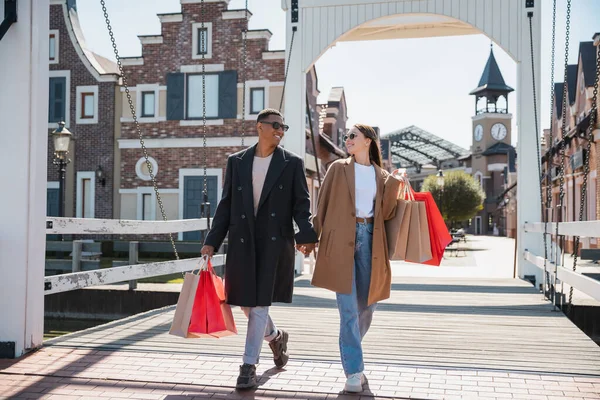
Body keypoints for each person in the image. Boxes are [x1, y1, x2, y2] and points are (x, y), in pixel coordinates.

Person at [201, 108, 318, 390]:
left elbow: (301, 205)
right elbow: (226, 205)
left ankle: (248, 365)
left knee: (260, 304)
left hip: (274, 242)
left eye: (283, 126)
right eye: (275, 125)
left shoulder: (292, 163)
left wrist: (307, 234)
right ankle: (276, 337)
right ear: (259, 127)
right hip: (243, 240)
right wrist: (212, 240)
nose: (280, 130)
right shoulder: (237, 162)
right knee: (243, 302)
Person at [310, 124, 402, 393]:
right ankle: (353, 370)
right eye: (347, 136)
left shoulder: (381, 175)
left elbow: (385, 214)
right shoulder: (338, 169)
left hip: (371, 239)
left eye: (353, 136)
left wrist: (395, 182)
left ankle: (349, 346)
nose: (347, 139)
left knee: (369, 304)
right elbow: (323, 205)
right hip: (340, 241)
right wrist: (310, 237)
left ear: (368, 142)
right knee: (348, 309)